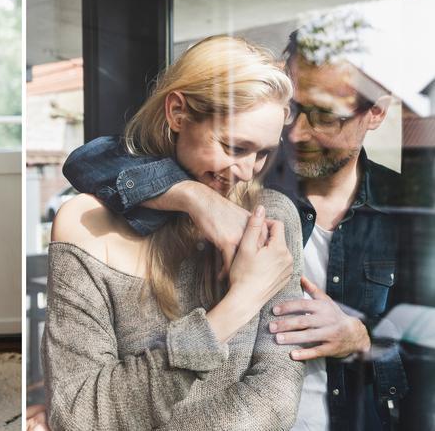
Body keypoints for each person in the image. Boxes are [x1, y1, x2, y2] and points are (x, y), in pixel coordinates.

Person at [62, 26, 408, 430]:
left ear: (377, 112)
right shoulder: (242, 183)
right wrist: (193, 195)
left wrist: (363, 341)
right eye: (293, 111)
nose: (294, 133)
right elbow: (91, 159)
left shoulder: (412, 211)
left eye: (325, 115)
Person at [43, 36, 305, 430]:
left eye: (263, 153)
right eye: (234, 147)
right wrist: (239, 303)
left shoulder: (272, 219)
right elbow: (79, 416)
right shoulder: (85, 224)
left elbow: (278, 393)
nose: (247, 171)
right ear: (178, 112)